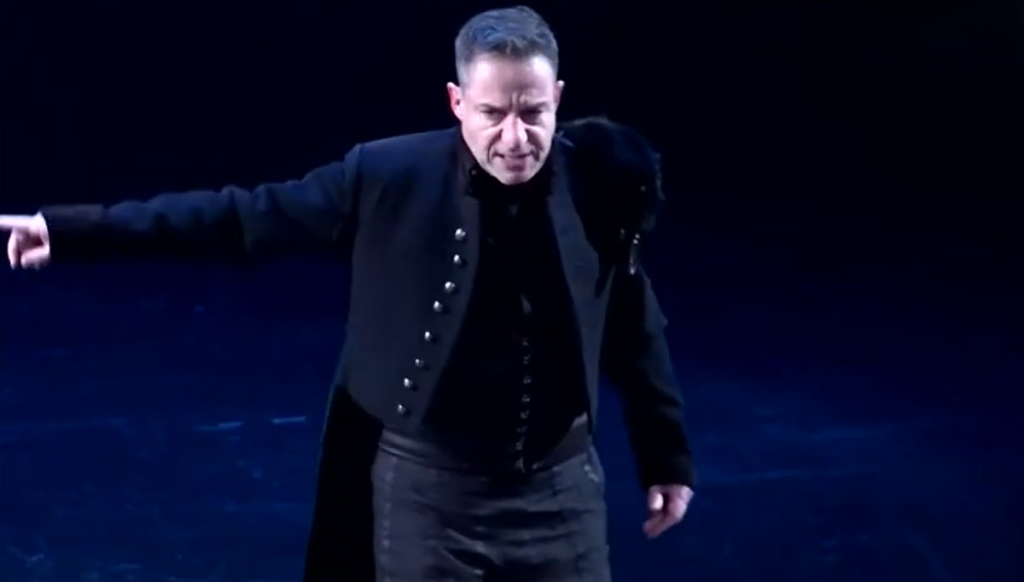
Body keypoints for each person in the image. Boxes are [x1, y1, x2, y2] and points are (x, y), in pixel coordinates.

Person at [1, 6, 695, 582]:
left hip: (560, 488)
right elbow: (239, 218)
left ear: (558, 99)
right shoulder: (387, 175)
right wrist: (74, 231)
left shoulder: (604, 179)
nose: (515, 137)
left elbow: (634, 324)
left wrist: (665, 455)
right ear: (456, 102)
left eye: (533, 112)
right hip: (428, 493)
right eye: (492, 113)